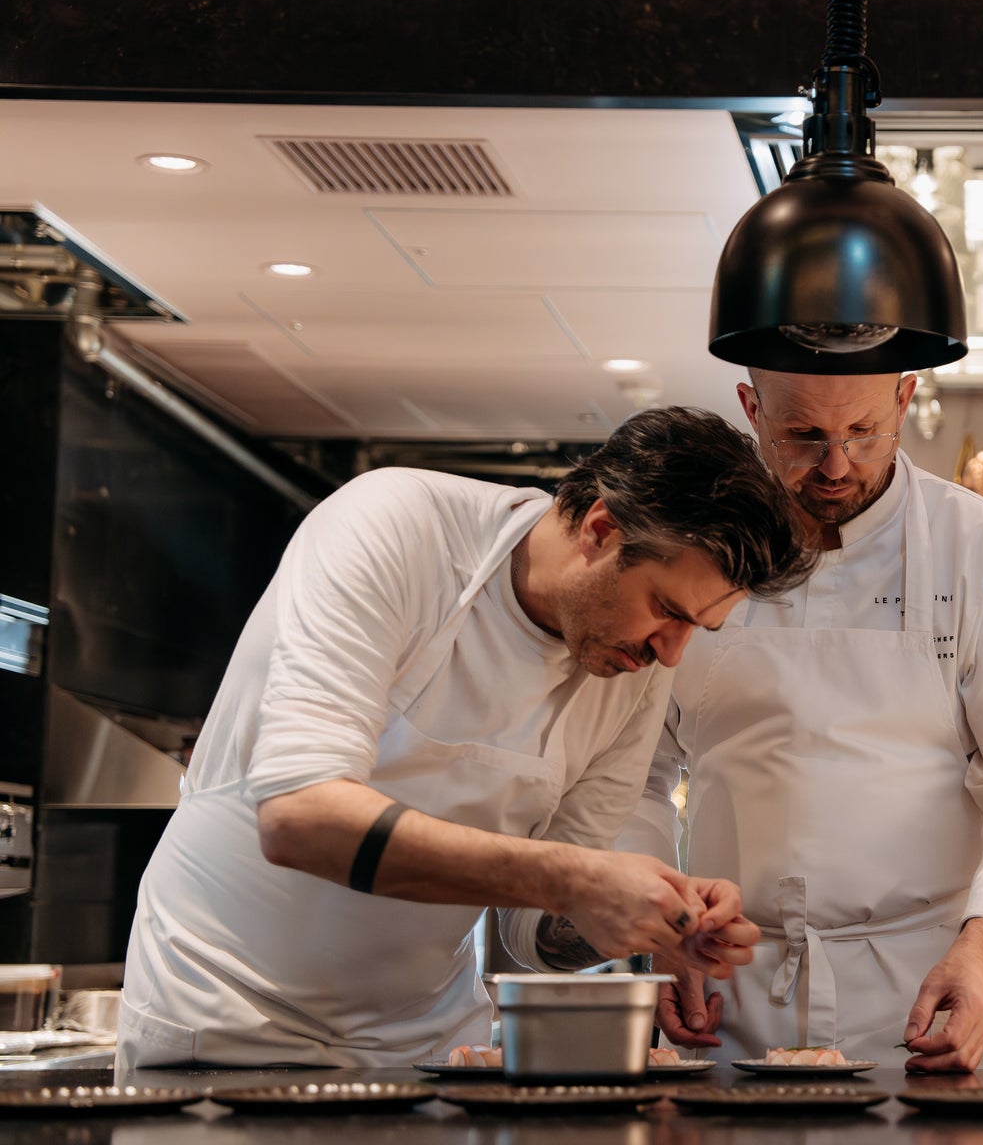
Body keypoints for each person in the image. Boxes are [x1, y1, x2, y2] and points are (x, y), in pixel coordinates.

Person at [118, 407, 815, 1070]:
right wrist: (574, 879)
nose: (671, 653)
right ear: (600, 530)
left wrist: (649, 919)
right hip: (224, 1015)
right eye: (666, 609)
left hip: (424, 1042)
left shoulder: (630, 668)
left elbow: (527, 934)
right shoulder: (396, 529)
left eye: (697, 627)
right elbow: (300, 819)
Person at [624, 368, 983, 1073]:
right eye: (802, 436)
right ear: (751, 408)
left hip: (930, 995)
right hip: (728, 998)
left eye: (863, 432)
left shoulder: (979, 546)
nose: (836, 465)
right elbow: (635, 775)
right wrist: (661, 928)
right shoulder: (697, 543)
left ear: (904, 398)